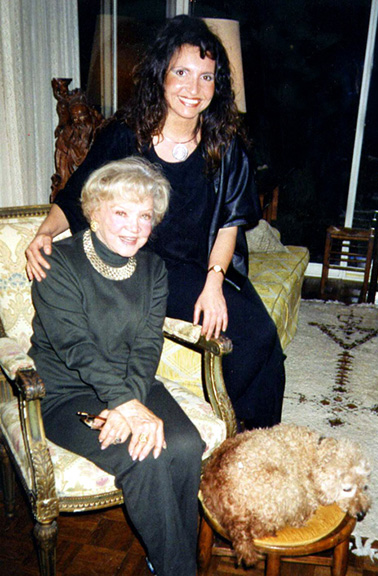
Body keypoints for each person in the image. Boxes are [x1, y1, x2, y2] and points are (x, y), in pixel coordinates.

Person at [26, 15, 285, 429]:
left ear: (217, 85)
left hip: (205, 266)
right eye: (182, 73)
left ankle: (257, 444)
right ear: (161, 75)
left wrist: (214, 284)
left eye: (206, 77)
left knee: (264, 339)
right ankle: (244, 442)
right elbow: (75, 196)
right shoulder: (125, 136)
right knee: (252, 337)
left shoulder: (226, 145)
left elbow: (230, 224)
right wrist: (44, 232)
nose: (193, 88)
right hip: (141, 267)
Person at [28, 157, 204, 576]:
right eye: (121, 213)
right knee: (146, 459)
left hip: (133, 384)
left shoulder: (153, 269)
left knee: (186, 445)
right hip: (67, 393)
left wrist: (130, 404)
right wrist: (124, 405)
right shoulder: (57, 262)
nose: (134, 227)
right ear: (94, 212)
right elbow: (74, 346)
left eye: (145, 216)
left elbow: (147, 345)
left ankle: (168, 561)